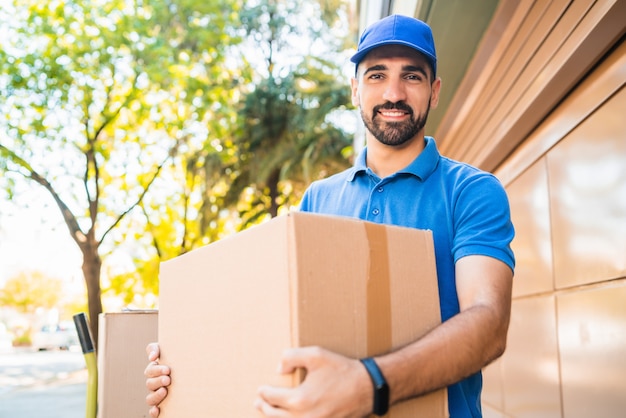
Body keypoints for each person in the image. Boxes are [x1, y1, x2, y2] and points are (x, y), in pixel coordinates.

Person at [145, 14, 515, 418]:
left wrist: (366, 384)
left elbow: (488, 324)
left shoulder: (472, 190)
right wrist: (185, 370)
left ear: (434, 91)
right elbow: (275, 327)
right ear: (355, 88)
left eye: (411, 77)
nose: (394, 93)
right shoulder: (318, 199)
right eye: (376, 76)